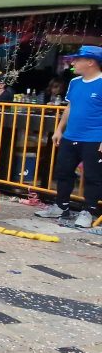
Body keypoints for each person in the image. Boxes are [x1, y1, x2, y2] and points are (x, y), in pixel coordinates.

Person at [36, 46, 102, 228]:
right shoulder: (75, 82)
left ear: (91, 62)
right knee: (63, 172)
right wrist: (59, 130)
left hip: (94, 137)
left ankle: (88, 211)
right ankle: (61, 205)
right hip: (70, 135)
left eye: (78, 60)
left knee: (93, 177)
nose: (73, 63)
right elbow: (69, 107)